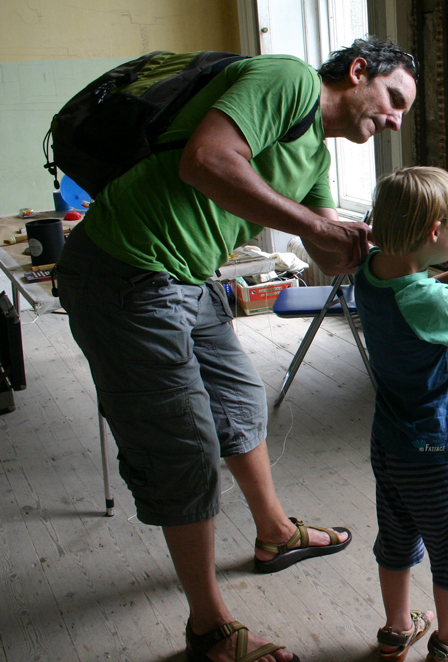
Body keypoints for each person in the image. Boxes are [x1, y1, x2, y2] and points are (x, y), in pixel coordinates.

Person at [55, 38, 418, 662]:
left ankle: (275, 532)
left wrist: (420, 248)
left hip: (186, 277)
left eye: (403, 115)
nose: (394, 120)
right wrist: (316, 227)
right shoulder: (289, 80)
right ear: (358, 72)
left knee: (239, 400)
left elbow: (330, 257)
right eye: (392, 100)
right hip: (125, 269)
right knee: (182, 445)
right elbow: (207, 160)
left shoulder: (315, 156)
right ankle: (208, 629)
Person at [348, 166, 448, 662]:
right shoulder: (430, 300)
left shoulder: (373, 272)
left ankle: (397, 630)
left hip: (390, 441)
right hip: (435, 448)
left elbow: (421, 287)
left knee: (396, 536)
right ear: (436, 232)